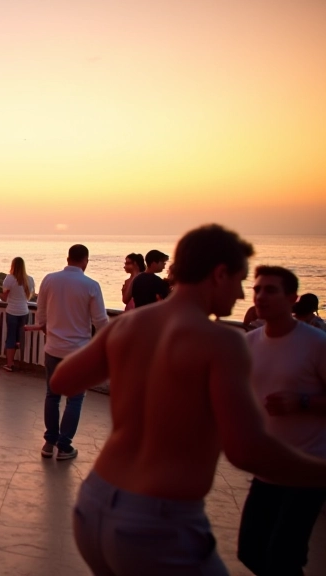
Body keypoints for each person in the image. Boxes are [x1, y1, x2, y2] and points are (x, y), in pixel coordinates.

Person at [49, 224, 326, 575]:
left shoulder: (129, 325)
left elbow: (63, 379)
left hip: (94, 506)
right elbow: (245, 451)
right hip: (157, 522)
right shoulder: (222, 343)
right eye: (240, 281)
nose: (242, 296)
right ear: (219, 273)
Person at [237, 266, 326, 575]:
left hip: (308, 469)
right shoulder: (250, 344)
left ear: (292, 298)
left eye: (271, 290)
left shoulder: (317, 344)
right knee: (250, 551)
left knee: (283, 557)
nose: (261, 296)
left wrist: (302, 401)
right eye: (257, 289)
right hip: (267, 469)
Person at [31, 244, 108, 461]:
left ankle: (49, 442)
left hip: (53, 349)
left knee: (52, 395)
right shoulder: (91, 285)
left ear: (67, 259)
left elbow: (41, 312)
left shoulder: (49, 280)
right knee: (75, 399)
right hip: (78, 352)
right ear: (85, 261)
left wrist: (48, 330)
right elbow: (100, 321)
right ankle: (64, 446)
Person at [1, 257, 35, 372]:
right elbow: (30, 295)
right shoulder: (29, 279)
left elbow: (5, 298)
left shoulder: (9, 279)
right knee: (20, 338)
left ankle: (10, 364)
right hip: (24, 311)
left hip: (12, 311)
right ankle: (21, 362)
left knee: (11, 336)